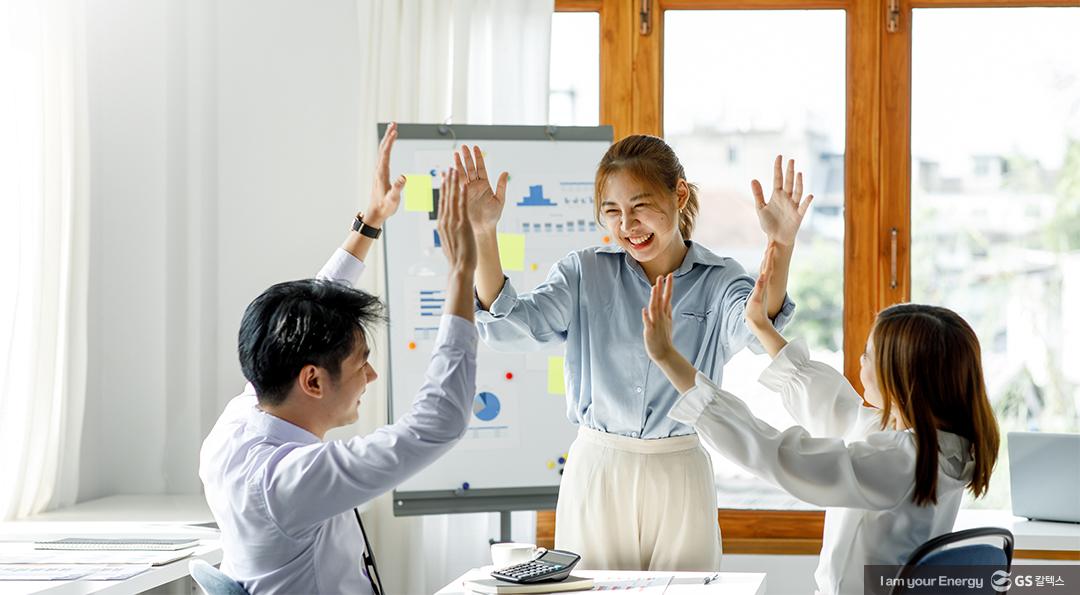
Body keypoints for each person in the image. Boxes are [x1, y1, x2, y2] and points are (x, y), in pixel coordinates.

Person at [456, 134, 813, 570]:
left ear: (679, 193)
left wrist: (781, 244)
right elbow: (510, 326)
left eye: (640, 206)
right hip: (598, 469)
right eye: (612, 212)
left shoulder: (720, 279)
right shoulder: (584, 272)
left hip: (679, 466)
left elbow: (760, 328)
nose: (628, 225)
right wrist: (484, 232)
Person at [199, 124, 479, 594]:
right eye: (360, 363)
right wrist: (461, 274)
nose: (371, 374)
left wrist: (369, 223)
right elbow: (436, 426)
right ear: (312, 381)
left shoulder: (238, 424)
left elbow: (303, 316)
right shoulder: (289, 482)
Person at [641, 244, 1001, 595]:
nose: (861, 362)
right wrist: (762, 328)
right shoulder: (942, 447)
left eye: (869, 354)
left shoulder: (902, 460)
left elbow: (779, 455)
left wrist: (669, 359)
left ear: (904, 378)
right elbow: (838, 409)